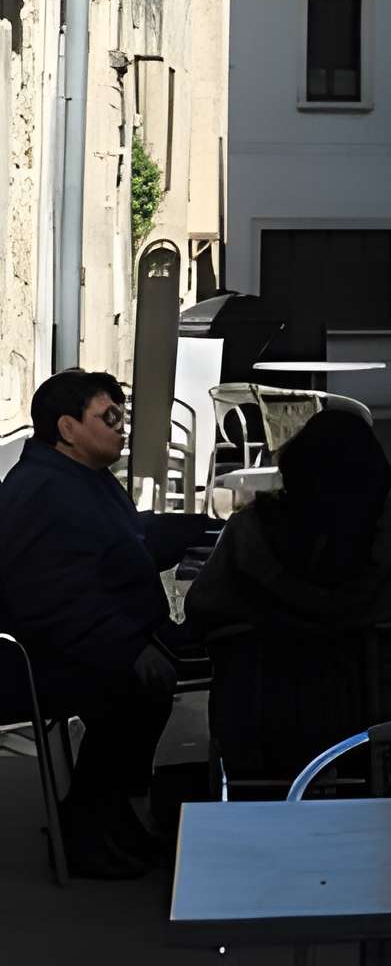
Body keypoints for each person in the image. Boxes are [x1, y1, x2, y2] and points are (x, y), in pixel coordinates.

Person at [185, 407, 391, 778]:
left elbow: (202, 614)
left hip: (264, 739)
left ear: (294, 470)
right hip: (389, 741)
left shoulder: (246, 536)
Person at [0, 371, 185, 877]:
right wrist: (128, 646)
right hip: (31, 660)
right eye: (110, 417)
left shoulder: (81, 475)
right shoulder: (41, 491)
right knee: (139, 685)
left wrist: (193, 530)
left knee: (173, 660)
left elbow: (123, 541)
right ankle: (89, 824)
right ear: (68, 427)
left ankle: (104, 811)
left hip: (82, 638)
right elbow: (50, 598)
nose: (122, 427)